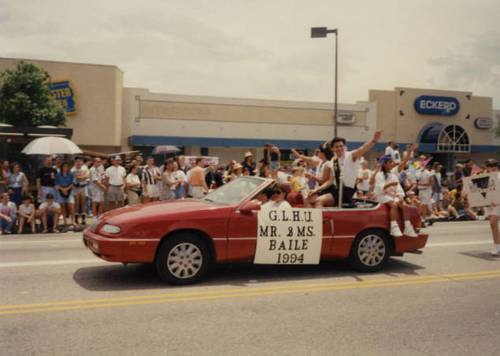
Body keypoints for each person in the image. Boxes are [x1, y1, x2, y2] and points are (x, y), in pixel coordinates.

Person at [329, 130, 383, 205]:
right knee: (313, 199)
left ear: (344, 147)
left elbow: (362, 149)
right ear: (332, 149)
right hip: (336, 190)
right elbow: (330, 180)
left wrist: (374, 140)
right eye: (336, 147)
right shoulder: (333, 160)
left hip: (347, 192)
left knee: (319, 201)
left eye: (341, 146)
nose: (339, 148)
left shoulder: (351, 156)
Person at [374, 156, 417, 237]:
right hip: (382, 195)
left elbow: (398, 188)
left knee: (404, 205)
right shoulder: (379, 175)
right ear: (384, 164)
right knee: (393, 205)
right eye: (390, 162)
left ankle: (407, 228)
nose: (392, 164)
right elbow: (380, 188)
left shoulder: (393, 175)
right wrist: (390, 184)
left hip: (393, 195)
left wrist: (400, 195)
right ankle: (394, 227)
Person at [482, 159, 500, 256]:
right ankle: (497, 246)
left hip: (498, 203)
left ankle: (497, 247)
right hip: (489, 203)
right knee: (493, 225)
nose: (487, 168)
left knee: (493, 221)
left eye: (488, 166)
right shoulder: (485, 176)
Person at [55, 162, 75, 227]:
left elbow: (73, 183)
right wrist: (63, 189)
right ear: (61, 167)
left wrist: (66, 189)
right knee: (62, 206)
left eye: (66, 166)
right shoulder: (58, 175)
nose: (65, 168)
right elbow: (56, 183)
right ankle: (65, 221)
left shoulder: (71, 174)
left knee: (71, 206)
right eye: (64, 166)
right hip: (61, 190)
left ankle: (73, 221)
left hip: (69, 190)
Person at [71, 157, 90, 225]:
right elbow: (74, 178)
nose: (79, 162)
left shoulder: (85, 167)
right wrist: (82, 177)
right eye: (77, 161)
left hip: (83, 186)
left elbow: (87, 176)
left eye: (80, 161)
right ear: (75, 162)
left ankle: (83, 219)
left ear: (82, 162)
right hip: (75, 187)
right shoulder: (73, 169)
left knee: (83, 203)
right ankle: (76, 218)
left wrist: (80, 177)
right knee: (76, 203)